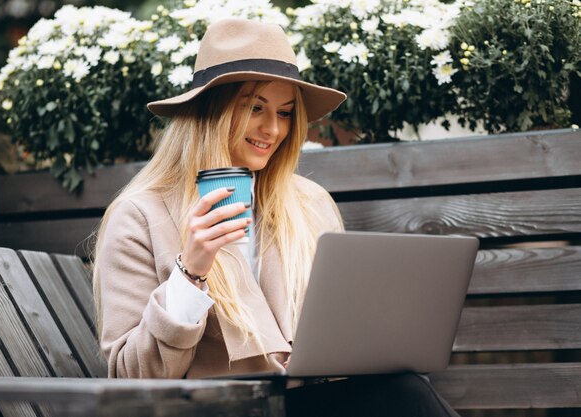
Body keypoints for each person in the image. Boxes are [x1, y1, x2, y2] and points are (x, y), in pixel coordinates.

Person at [93, 17, 461, 417]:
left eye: (285, 113)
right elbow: (132, 378)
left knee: (403, 388)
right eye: (255, 107)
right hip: (213, 410)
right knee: (404, 397)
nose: (273, 129)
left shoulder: (309, 204)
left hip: (304, 404)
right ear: (211, 112)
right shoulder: (140, 216)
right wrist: (190, 273)